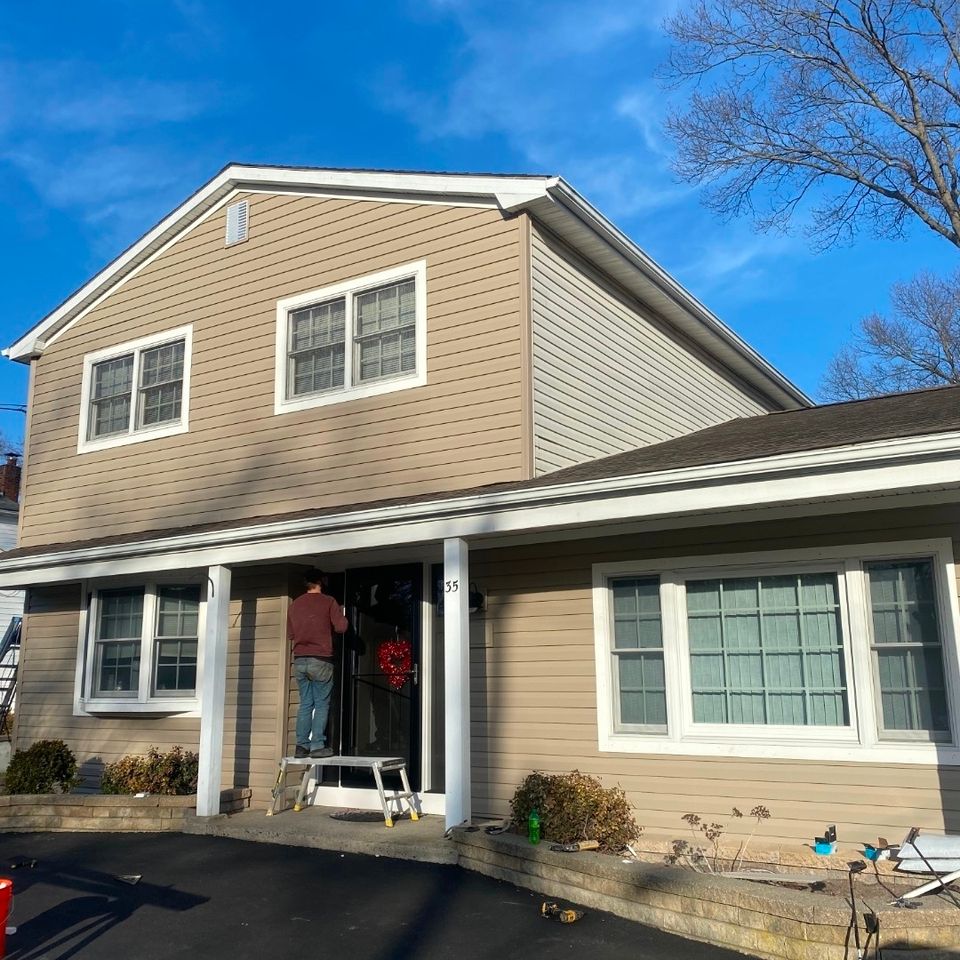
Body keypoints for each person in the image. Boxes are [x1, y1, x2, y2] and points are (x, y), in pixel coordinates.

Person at [287, 568, 349, 759]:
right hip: (320, 659)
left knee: (306, 703)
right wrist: (342, 614)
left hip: (299, 660)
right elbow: (341, 627)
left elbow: (290, 634)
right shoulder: (328, 601)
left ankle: (301, 746)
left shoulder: (294, 605)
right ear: (321, 582)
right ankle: (317, 746)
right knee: (321, 704)